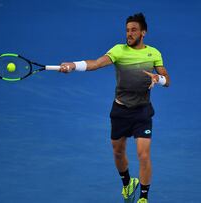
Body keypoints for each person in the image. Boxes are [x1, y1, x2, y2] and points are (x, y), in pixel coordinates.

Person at [59, 12, 170, 203]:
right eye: (127, 30)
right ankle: (128, 184)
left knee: (143, 155)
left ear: (144, 32)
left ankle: (144, 198)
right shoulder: (118, 50)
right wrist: (73, 65)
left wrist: (158, 78)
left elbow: (167, 80)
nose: (129, 34)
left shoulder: (154, 53)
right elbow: (95, 63)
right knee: (118, 152)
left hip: (142, 111)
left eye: (134, 30)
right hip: (120, 111)